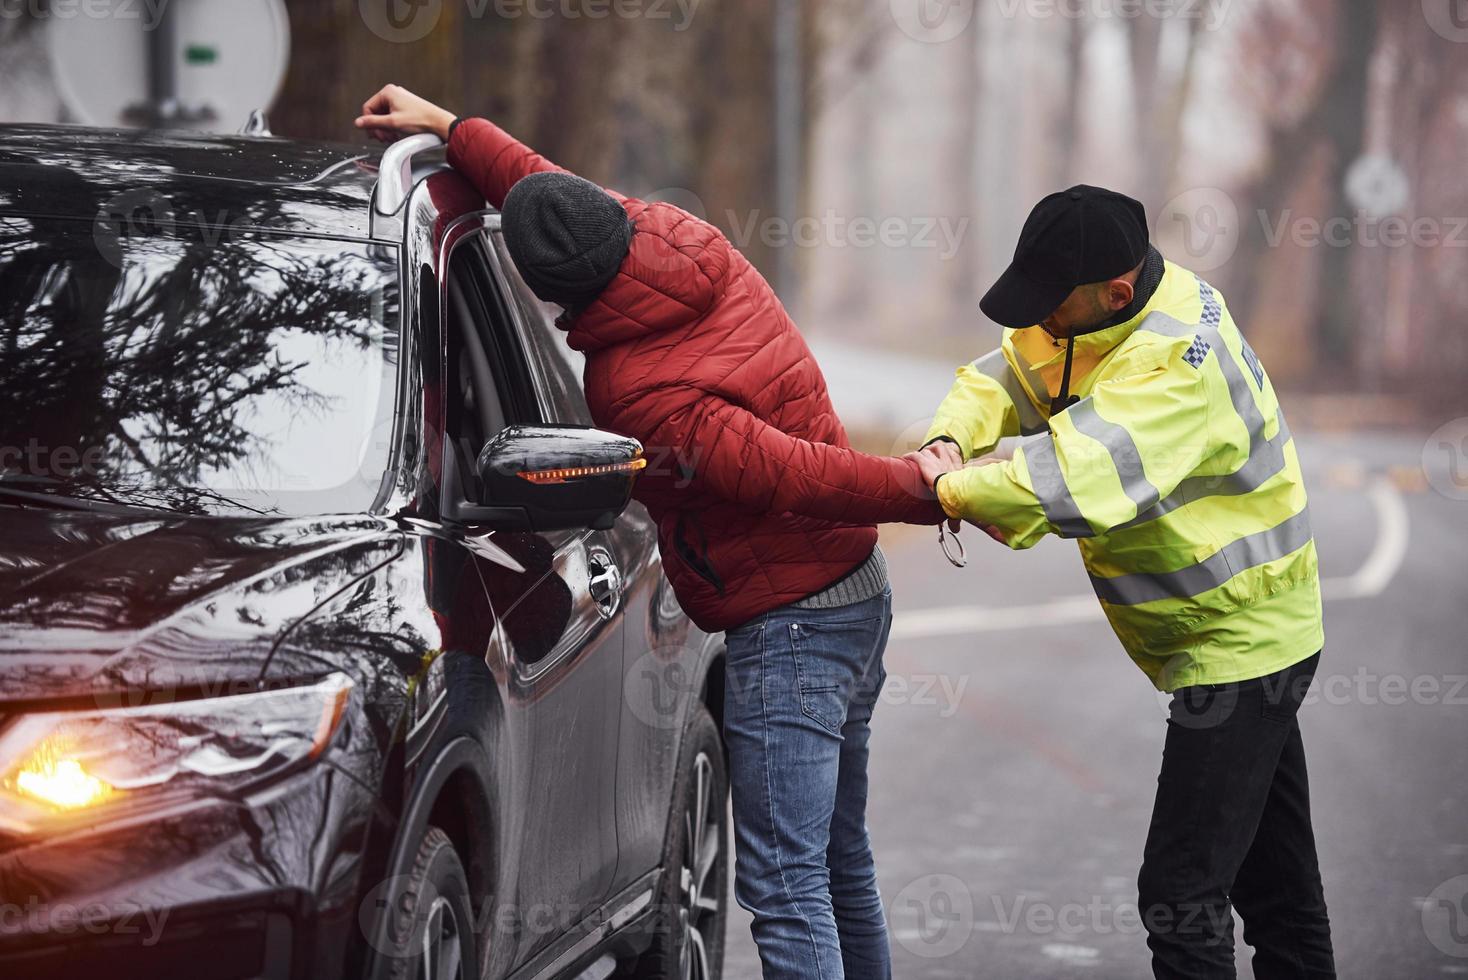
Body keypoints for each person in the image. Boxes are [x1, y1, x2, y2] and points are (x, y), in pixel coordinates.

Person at [356, 85, 943, 979]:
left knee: (788, 888)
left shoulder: (638, 388)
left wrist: (924, 490)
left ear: (554, 292)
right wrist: (450, 129)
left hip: (791, 621)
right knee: (834, 859)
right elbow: (551, 191)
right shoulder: (675, 237)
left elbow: (787, 472)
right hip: (855, 591)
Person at [912, 185, 1336, 980]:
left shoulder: (1175, 361)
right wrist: (946, 438)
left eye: (1049, 304)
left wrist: (938, 489)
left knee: (1179, 897)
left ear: (1114, 291)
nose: (1036, 320)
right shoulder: (1096, 315)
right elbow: (1001, 378)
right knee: (1278, 891)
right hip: (1238, 637)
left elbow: (1069, 478)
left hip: (1242, 644)